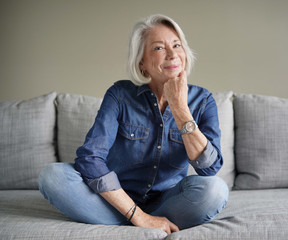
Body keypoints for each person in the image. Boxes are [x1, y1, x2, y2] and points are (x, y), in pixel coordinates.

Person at [38, 14, 229, 235]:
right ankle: (142, 223)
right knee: (52, 176)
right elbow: (90, 158)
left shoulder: (203, 100)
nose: (172, 54)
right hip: (113, 201)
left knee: (215, 190)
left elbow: (209, 168)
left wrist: (180, 109)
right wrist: (138, 215)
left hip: (168, 202)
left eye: (177, 45)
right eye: (159, 48)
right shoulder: (120, 94)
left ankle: (139, 223)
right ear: (142, 63)